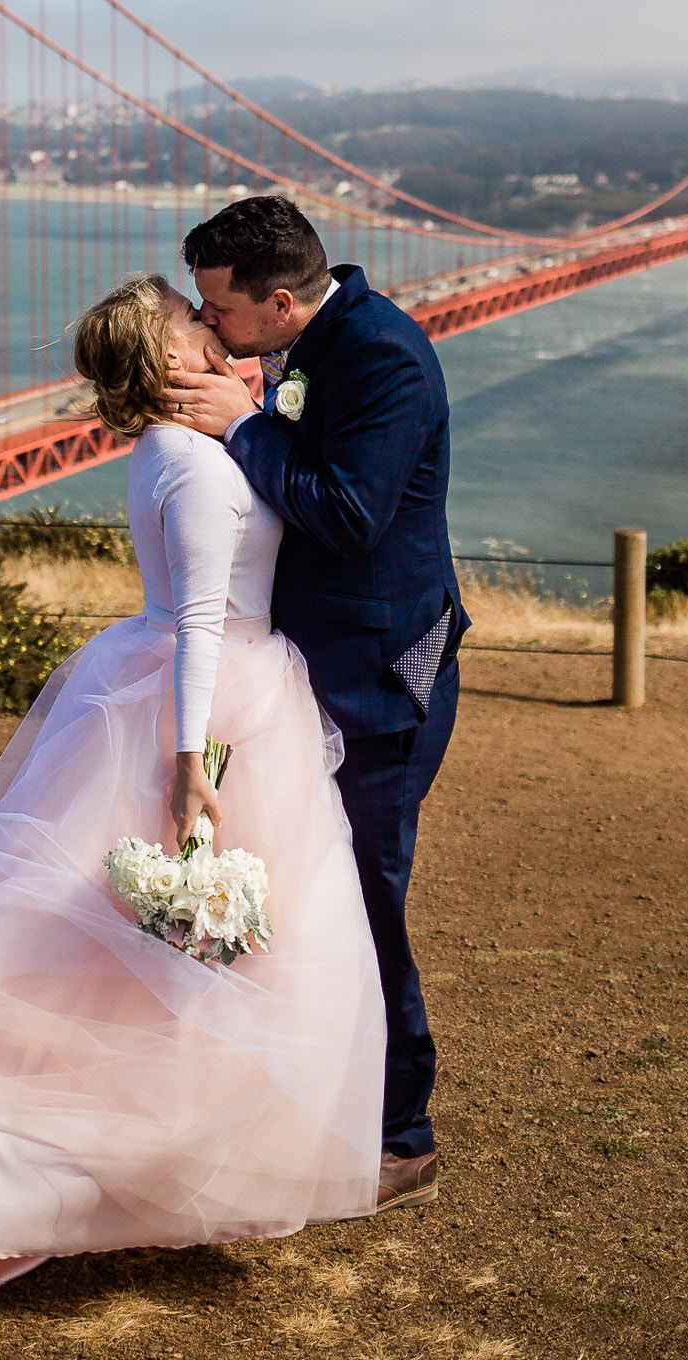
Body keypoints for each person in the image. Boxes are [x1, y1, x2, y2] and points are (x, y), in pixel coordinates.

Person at [0, 275, 384, 1285]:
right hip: (213, 695)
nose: (210, 319)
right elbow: (197, 617)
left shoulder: (185, 444)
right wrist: (191, 764)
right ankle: (24, 1165)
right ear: (170, 359)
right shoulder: (191, 461)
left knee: (149, 951)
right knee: (171, 943)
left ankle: (144, 1157)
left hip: (194, 681)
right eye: (191, 318)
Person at [169, 196, 468, 1212]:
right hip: (302, 673)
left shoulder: (382, 355)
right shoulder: (310, 340)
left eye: (217, 308)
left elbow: (346, 512)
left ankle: (403, 1134)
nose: (207, 324)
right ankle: (306, 1098)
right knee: (302, 898)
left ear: (282, 299)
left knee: (365, 902)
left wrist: (246, 422)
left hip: (381, 675)